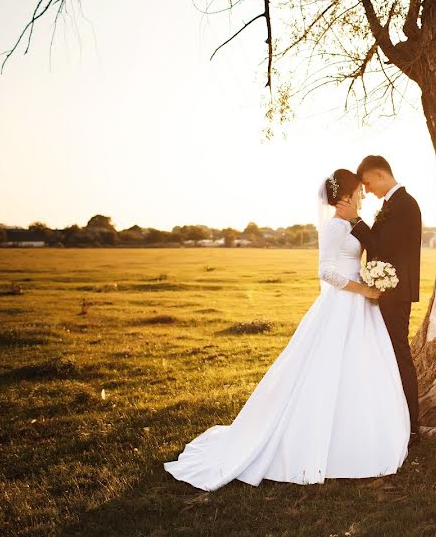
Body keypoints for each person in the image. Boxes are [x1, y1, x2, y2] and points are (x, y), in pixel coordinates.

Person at [163, 169, 410, 491]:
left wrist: (370, 279)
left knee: (360, 367)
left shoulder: (351, 224)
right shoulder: (336, 227)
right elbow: (326, 272)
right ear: (345, 197)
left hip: (359, 307)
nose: (363, 197)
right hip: (343, 306)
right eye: (358, 193)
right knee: (328, 368)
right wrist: (362, 289)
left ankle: (363, 434)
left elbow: (360, 254)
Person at [335, 155, 422, 445]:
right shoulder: (391, 205)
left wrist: (355, 221)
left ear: (381, 175)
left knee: (398, 354)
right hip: (385, 289)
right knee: (386, 355)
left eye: (369, 184)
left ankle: (411, 426)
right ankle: (393, 417)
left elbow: (382, 246)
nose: (368, 191)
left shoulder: (405, 205)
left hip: (395, 294)